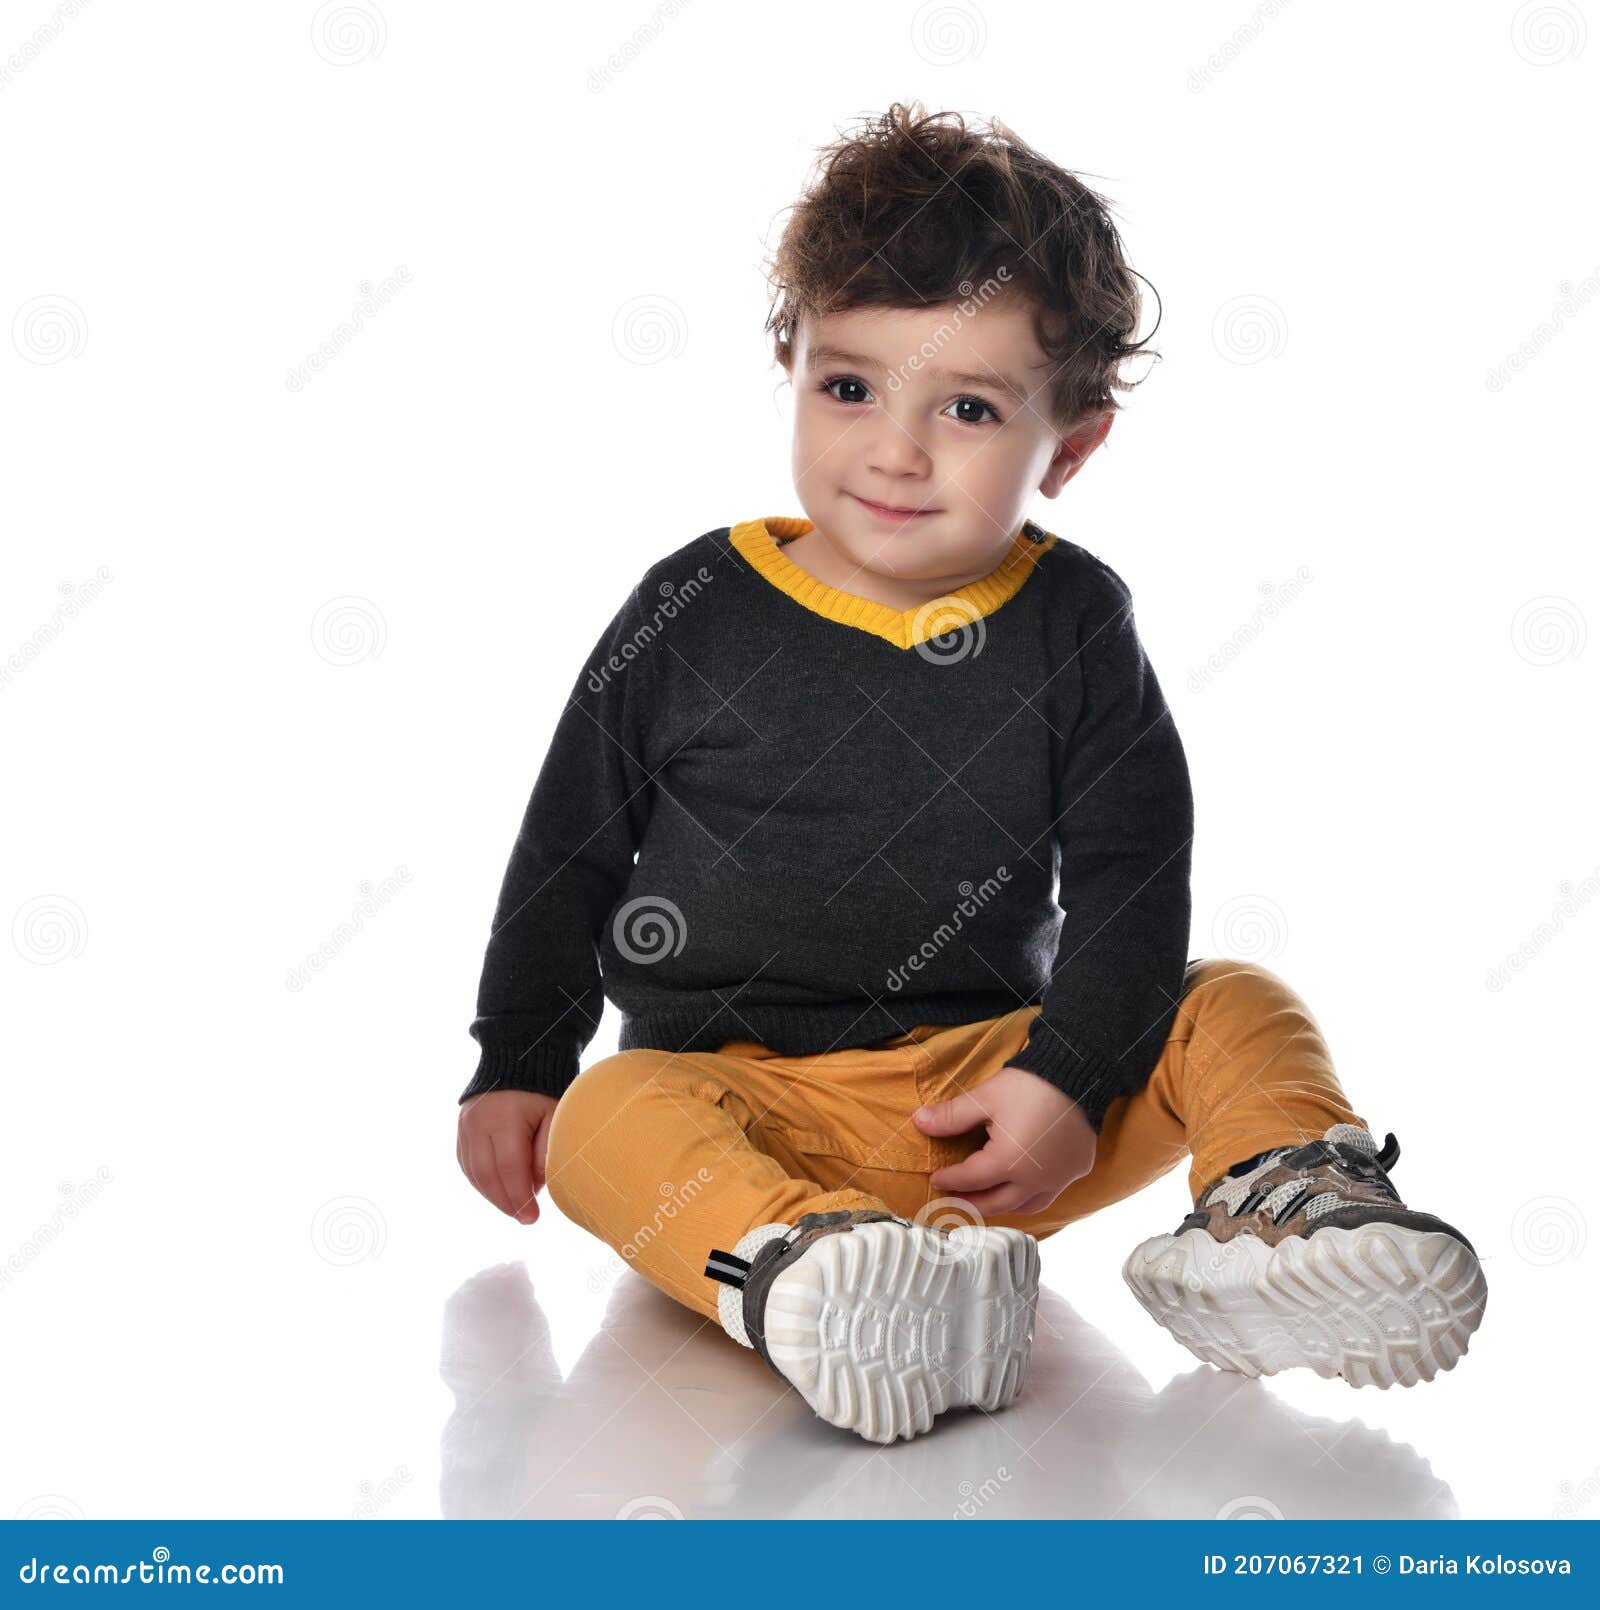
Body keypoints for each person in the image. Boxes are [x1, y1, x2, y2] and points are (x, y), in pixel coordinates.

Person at [454, 102, 1487, 1444]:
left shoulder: (1073, 624)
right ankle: (802, 1270)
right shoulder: (693, 608)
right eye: (849, 386)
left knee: (1234, 1000)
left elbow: (1131, 875)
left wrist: (1068, 1077)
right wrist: (517, 1057)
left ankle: (1283, 1209)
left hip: (990, 1113)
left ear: (1072, 444)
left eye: (969, 407)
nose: (895, 448)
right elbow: (569, 847)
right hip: (738, 1099)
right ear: (793, 364)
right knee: (611, 1114)